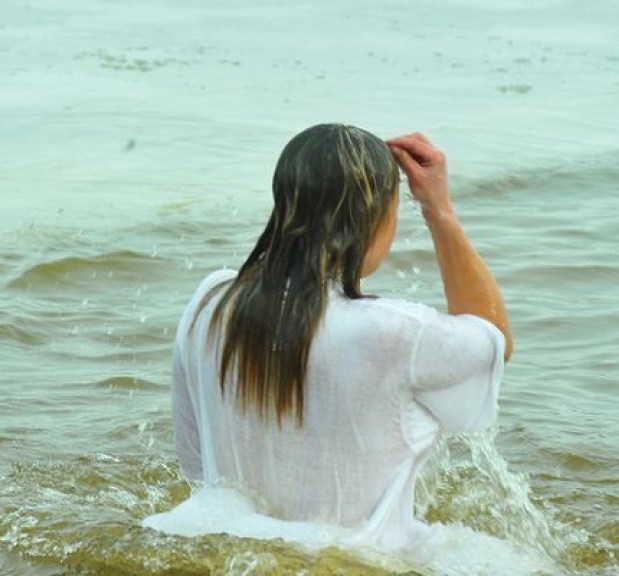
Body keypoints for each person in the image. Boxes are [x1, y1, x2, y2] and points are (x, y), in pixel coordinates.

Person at [143, 124, 513, 551]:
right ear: (376, 216)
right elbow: (494, 340)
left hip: (230, 545)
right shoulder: (394, 332)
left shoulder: (210, 304)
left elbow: (196, 465)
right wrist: (439, 210)